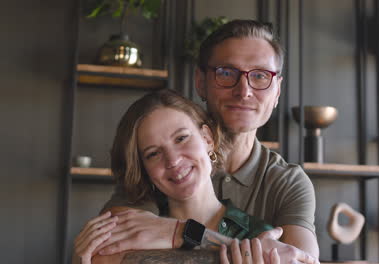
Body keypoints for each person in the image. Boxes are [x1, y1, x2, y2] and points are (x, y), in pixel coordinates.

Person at [80, 19, 319, 262]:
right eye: (227, 73)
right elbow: (107, 254)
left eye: (260, 76)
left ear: (277, 91)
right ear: (201, 82)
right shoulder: (165, 163)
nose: (244, 90)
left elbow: (300, 260)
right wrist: (191, 233)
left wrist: (182, 234)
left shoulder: (288, 182)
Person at [74, 89, 284, 263]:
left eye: (181, 138)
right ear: (144, 169)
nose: (172, 160)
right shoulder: (133, 232)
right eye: (153, 153)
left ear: (207, 139)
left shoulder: (259, 236)